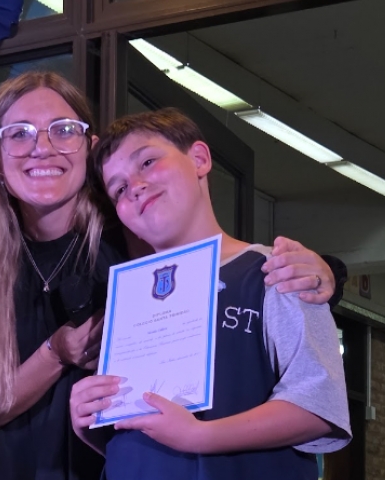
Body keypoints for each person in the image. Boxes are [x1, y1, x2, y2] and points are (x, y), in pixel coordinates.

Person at [0, 71, 343, 480]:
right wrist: (58, 352)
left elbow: (217, 262)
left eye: (63, 130)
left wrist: (323, 272)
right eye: (19, 134)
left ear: (88, 148)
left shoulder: (130, 233)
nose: (42, 148)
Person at [70, 107, 352, 480]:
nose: (135, 186)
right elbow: (138, 437)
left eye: (148, 162)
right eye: (118, 189)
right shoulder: (128, 301)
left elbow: (318, 405)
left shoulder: (278, 271)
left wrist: (199, 436)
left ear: (199, 159)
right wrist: (91, 419)